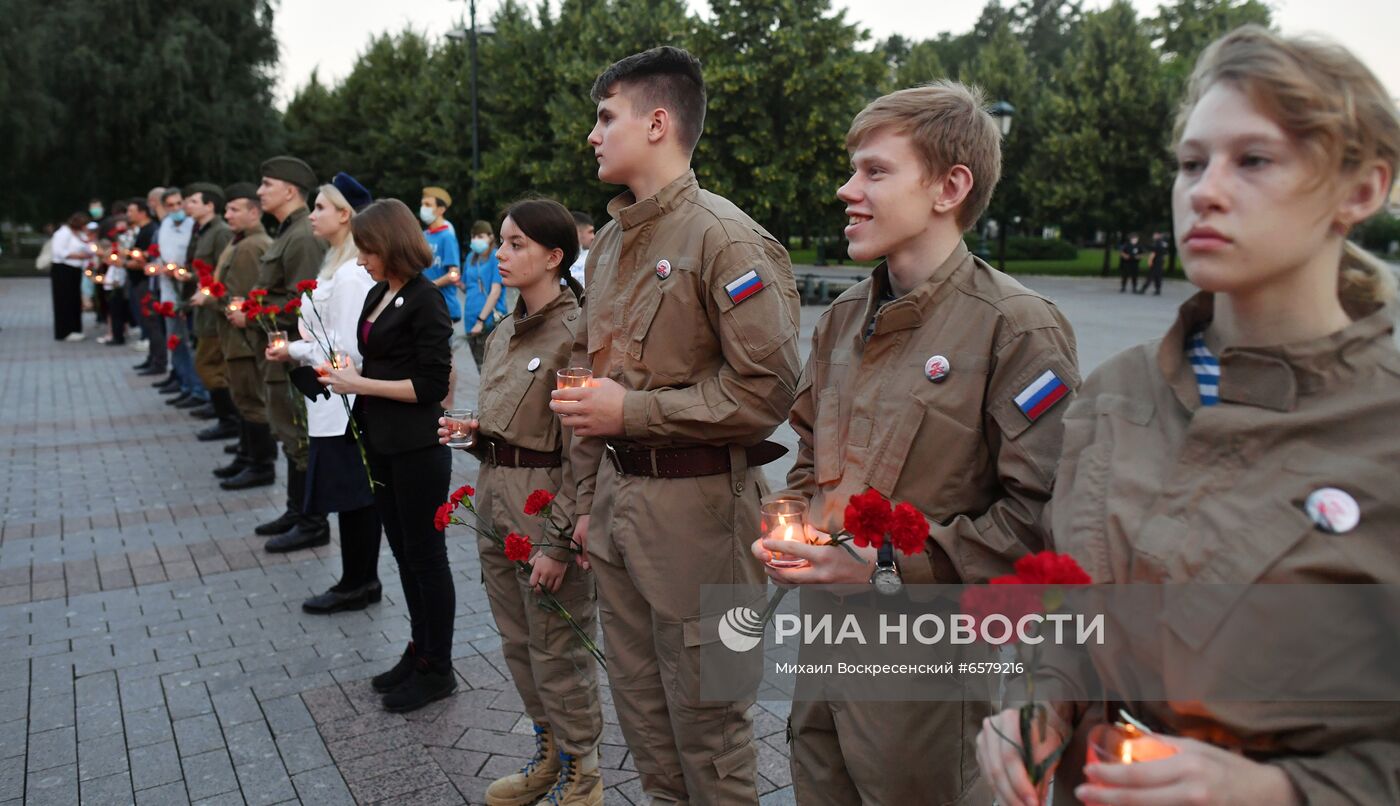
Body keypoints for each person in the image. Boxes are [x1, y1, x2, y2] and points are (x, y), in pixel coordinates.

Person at [977, 25, 1400, 806]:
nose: (1204, 189)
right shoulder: (1115, 391)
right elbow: (1062, 601)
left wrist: (1278, 791)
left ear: (1362, 190)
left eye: (1255, 160)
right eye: (1192, 162)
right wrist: (1031, 705)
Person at [753, 81, 1078, 805]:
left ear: (949, 187)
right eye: (852, 170)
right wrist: (791, 522)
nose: (847, 190)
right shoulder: (843, 317)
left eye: (874, 171)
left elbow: (1042, 519)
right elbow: (811, 456)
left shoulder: (1015, 328)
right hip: (826, 644)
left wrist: (889, 564)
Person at [549, 46, 801, 804]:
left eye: (605, 117)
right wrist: (587, 506)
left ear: (658, 123)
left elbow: (767, 392)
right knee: (645, 725)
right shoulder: (616, 242)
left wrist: (635, 412)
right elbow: (600, 385)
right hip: (623, 512)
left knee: (711, 733)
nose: (592, 135)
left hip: (704, 520)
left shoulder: (725, 239)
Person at [443, 199, 604, 805]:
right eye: (501, 243)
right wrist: (475, 432)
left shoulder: (576, 334)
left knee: (559, 643)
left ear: (554, 257)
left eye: (516, 245)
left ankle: (584, 773)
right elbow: (514, 416)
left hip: (546, 500)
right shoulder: (507, 329)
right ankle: (550, 754)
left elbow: (582, 448)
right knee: (518, 641)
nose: (500, 255)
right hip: (497, 494)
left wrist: (560, 538)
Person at [321, 198, 455, 712]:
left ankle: (438, 667)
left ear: (392, 244)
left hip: (417, 446)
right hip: (379, 440)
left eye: (368, 249)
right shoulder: (381, 292)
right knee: (402, 554)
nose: (361, 260)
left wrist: (362, 382)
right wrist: (345, 373)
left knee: (427, 557)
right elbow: (375, 357)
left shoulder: (426, 299)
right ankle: (419, 648)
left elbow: (430, 384)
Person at [265, 174, 384, 607]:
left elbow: (349, 348)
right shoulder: (336, 262)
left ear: (345, 214)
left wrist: (302, 353)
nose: (312, 215)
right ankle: (356, 578)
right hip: (332, 395)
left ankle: (360, 581)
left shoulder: (353, 273)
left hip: (345, 400)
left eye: (319, 207)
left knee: (354, 497)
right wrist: (295, 349)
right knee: (349, 496)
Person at [253, 157, 328, 547]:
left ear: (289, 189)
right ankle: (296, 510)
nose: (259, 191)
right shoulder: (287, 232)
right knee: (288, 431)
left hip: (294, 352)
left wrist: (261, 309)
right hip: (280, 349)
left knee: (299, 433)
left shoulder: (301, 236)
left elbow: (306, 300)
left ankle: (311, 521)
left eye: (267, 184)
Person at [215, 183, 278, 491]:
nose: (228, 214)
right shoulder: (241, 241)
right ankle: (246, 455)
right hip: (235, 335)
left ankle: (260, 465)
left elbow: (242, 295)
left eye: (235, 209)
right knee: (242, 399)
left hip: (243, 337)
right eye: (227, 209)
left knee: (251, 401)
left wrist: (220, 302)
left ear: (255, 212)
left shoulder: (252, 246)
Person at [183, 183, 236, 436]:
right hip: (204, 308)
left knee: (208, 364)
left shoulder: (221, 232)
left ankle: (229, 420)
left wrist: (209, 295)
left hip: (216, 311)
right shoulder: (202, 231)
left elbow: (224, 272)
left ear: (209, 205)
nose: (187, 205)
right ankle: (223, 414)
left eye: (193, 201)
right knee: (208, 364)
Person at [462, 219, 506, 369]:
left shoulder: (496, 257)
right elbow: (466, 287)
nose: (476, 240)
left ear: (491, 237)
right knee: (480, 368)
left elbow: (495, 292)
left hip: (488, 321)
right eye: (473, 237)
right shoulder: (470, 257)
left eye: (480, 236)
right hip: (470, 320)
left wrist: (480, 321)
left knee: (491, 368)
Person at [419, 186, 464, 332]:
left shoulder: (447, 236)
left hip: (443, 306)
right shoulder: (424, 235)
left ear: (441, 210)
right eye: (422, 204)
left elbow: (454, 274)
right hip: (425, 305)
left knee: (441, 353)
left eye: (428, 205)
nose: (423, 208)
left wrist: (430, 285)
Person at [126, 198, 159, 364]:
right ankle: (151, 356)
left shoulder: (150, 230)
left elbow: (146, 258)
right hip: (138, 280)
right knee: (143, 315)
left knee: (149, 317)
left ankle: (151, 348)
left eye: (131, 211)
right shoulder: (140, 230)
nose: (128, 214)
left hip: (146, 280)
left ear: (142, 212)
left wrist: (125, 262)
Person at [49, 212, 92, 341]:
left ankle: (75, 328)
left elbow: (87, 247)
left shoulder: (79, 235)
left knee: (74, 299)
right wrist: (79, 256)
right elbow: (59, 252)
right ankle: (64, 331)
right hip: (63, 270)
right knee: (64, 300)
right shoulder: (63, 233)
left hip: (75, 270)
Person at [567, 210, 594, 288]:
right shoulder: (556, 259)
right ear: (576, 231)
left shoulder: (595, 258)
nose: (593, 237)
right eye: (590, 232)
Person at [1142, 230, 1170, 295]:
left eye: (1154, 235)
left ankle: (1143, 289)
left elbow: (1154, 250)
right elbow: (1165, 253)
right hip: (1161, 261)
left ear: (1158, 235)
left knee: (1150, 276)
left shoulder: (1158, 242)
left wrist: (1146, 246)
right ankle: (1158, 290)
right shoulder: (1164, 242)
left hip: (1156, 261)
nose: (1153, 236)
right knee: (1158, 276)